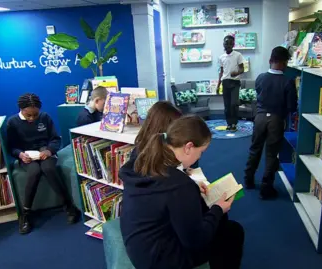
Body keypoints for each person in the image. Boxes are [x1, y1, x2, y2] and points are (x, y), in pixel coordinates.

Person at [120, 115, 244, 269]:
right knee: (233, 232)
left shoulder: (144, 160)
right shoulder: (180, 185)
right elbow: (195, 241)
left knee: (210, 216)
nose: (200, 156)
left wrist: (191, 190)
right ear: (188, 147)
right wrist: (218, 209)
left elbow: (162, 195)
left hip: (138, 245)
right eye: (201, 152)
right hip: (161, 260)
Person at [7, 93, 79, 234]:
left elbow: (55, 139)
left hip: (45, 153)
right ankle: (25, 214)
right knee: (34, 172)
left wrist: (49, 151)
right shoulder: (13, 122)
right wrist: (20, 155)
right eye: (28, 115)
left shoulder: (45, 117)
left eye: (35, 115)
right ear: (21, 110)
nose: (32, 118)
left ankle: (69, 206)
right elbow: (12, 147)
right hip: (26, 156)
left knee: (49, 169)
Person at [244, 46, 298, 199]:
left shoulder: (260, 78)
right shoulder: (288, 82)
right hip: (276, 120)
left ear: (270, 60)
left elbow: (258, 93)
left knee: (255, 149)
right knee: (272, 154)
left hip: (259, 118)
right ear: (285, 63)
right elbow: (291, 106)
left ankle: (248, 180)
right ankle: (266, 187)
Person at [217, 35, 245, 132]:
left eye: (230, 43)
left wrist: (236, 73)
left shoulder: (238, 55)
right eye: (226, 43)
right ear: (223, 44)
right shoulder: (221, 57)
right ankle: (229, 123)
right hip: (225, 82)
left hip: (235, 82)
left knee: (234, 104)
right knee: (227, 105)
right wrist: (218, 85)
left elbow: (242, 69)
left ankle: (234, 123)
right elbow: (221, 72)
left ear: (233, 44)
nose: (228, 45)